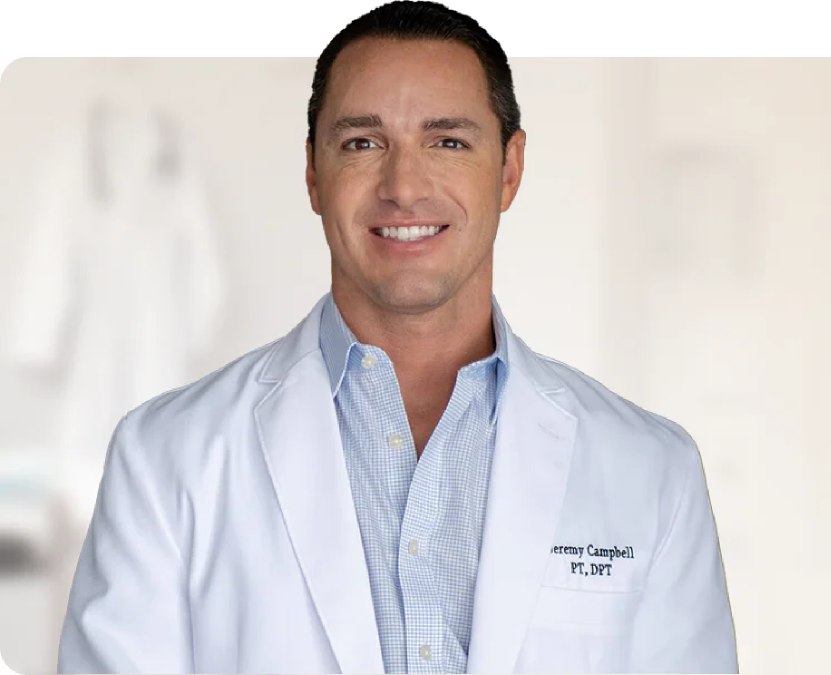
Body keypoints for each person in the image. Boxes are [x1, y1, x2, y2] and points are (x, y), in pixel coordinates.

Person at [55, 2, 738, 672]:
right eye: (362, 143)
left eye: (448, 142)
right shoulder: (165, 458)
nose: (404, 186)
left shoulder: (651, 470)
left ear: (509, 169)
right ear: (313, 173)